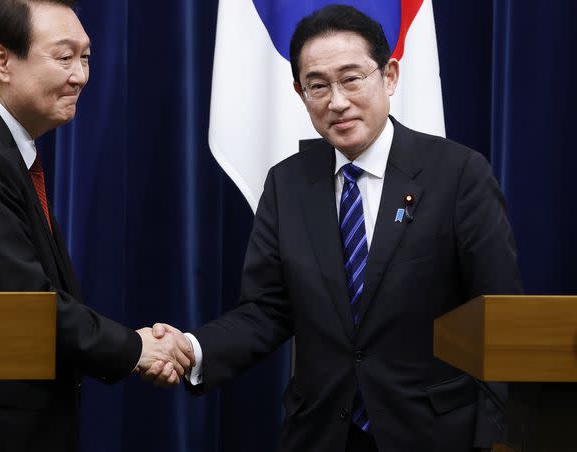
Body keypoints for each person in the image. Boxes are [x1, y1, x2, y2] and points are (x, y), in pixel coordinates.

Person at [148, 5, 521, 452]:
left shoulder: (458, 174)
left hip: (434, 434)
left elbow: (499, 318)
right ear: (299, 92)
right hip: (321, 433)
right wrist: (193, 347)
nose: (337, 101)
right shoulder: (288, 183)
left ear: (390, 76)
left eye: (352, 79)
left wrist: (496, 439)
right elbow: (266, 311)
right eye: (318, 85)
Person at [0, 1, 193, 451]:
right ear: (2, 60)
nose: (81, 76)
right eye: (64, 57)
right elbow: (23, 305)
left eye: (86, 57)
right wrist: (136, 349)